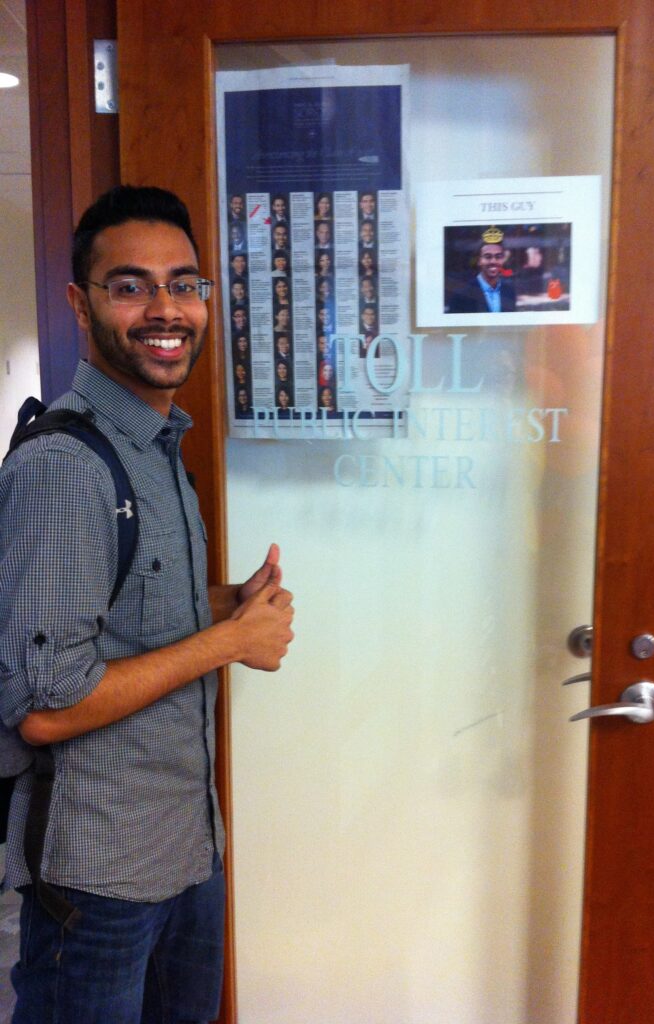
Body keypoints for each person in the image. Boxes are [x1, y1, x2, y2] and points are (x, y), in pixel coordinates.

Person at [0, 185, 294, 1024]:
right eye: (129, 285)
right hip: (97, 879)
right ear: (80, 304)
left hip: (184, 853)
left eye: (184, 284)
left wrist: (223, 603)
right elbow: (47, 707)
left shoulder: (159, 446)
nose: (164, 308)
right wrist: (231, 640)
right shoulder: (65, 467)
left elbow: (122, 607)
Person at [448, 227, 517, 313]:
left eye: (498, 256)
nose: (493, 261)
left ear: (503, 260)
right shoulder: (461, 295)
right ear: (479, 261)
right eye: (487, 256)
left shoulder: (509, 292)